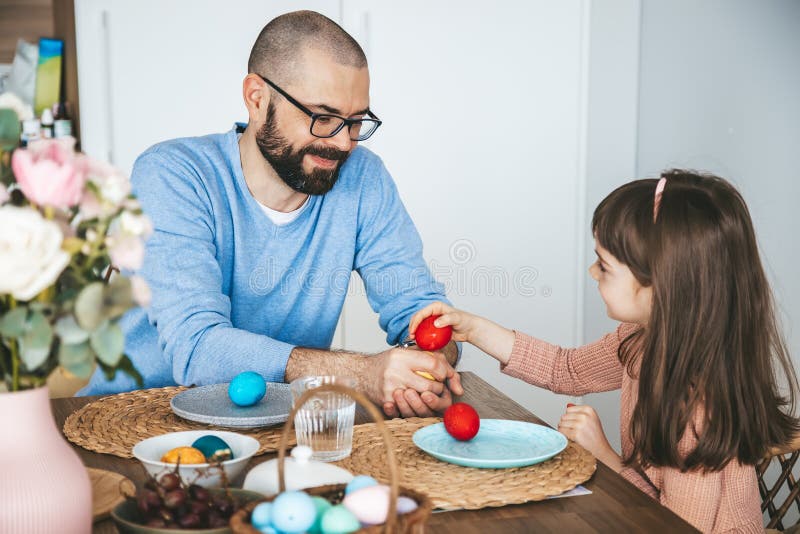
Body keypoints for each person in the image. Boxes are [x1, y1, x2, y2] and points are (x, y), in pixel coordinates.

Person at [80, 10, 462, 418]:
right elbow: (197, 349)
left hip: (279, 425)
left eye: (355, 122)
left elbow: (423, 312)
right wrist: (364, 372)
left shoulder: (364, 179)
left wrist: (426, 362)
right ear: (257, 98)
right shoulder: (172, 174)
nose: (343, 143)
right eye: (323, 118)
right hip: (133, 420)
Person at [409, 170, 800, 532]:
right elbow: (566, 369)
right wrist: (473, 328)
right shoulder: (640, 340)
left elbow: (678, 527)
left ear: (661, 285)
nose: (592, 273)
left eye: (605, 265)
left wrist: (604, 455)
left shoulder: (698, 408)